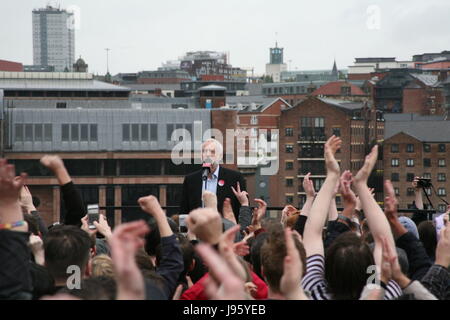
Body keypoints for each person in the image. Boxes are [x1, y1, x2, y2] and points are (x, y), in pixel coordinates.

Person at [179, 138, 246, 219]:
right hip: (198, 227)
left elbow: (242, 207)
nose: (207, 155)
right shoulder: (191, 180)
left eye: (212, 152)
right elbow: (184, 210)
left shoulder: (234, 178)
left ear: (220, 156)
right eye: (204, 151)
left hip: (224, 228)